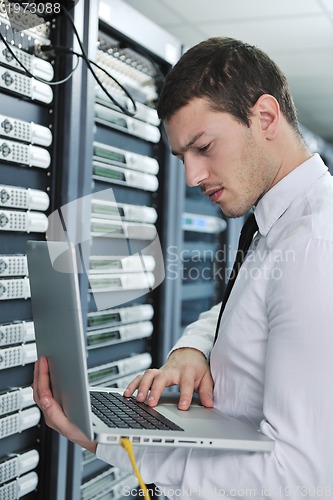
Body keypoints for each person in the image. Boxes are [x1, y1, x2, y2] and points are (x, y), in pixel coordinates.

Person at [33, 37, 333, 499]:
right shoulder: (278, 223)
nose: (192, 176)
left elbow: (300, 478)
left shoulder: (315, 243)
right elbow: (244, 308)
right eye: (182, 157)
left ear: (266, 118)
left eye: (204, 147)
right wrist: (192, 349)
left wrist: (120, 443)